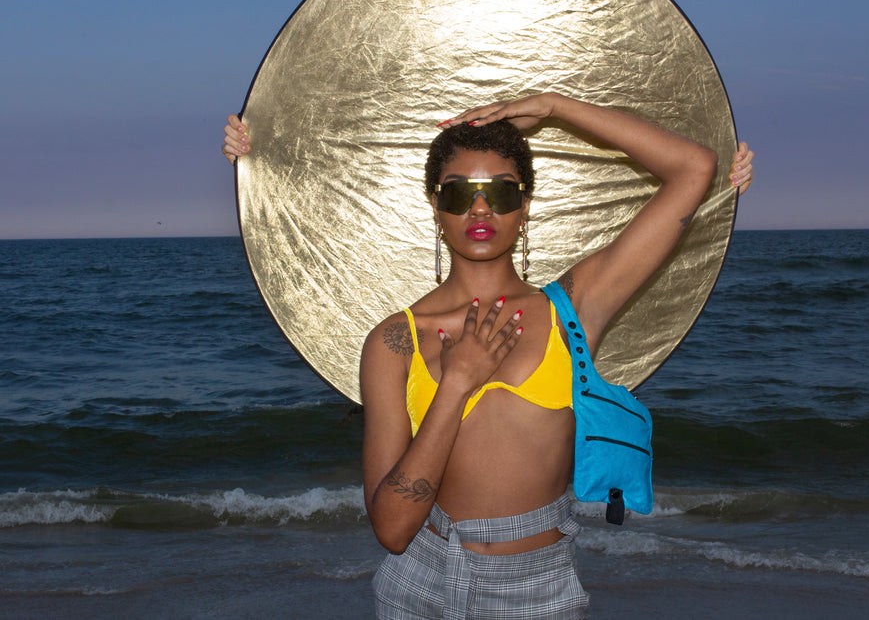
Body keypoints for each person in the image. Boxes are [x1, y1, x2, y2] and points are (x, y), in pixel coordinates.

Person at [222, 92, 753, 618]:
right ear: (436, 206)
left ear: (524, 206)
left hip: (540, 590)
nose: (479, 209)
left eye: (500, 193)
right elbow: (391, 527)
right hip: (420, 585)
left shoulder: (574, 310)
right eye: (459, 194)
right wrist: (457, 384)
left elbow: (693, 168)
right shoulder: (395, 342)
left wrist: (554, 107)